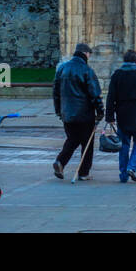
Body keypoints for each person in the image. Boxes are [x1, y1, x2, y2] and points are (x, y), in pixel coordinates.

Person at [52, 42, 103, 181]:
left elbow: (56, 92)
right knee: (87, 143)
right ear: (86, 54)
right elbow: (94, 94)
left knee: (73, 139)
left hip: (67, 113)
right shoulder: (86, 70)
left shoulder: (62, 68)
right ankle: (83, 172)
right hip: (84, 114)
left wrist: (58, 110)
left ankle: (60, 162)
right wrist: (100, 111)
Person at [105, 50, 136, 183]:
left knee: (124, 144)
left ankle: (123, 174)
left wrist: (109, 116)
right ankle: (132, 166)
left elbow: (111, 97)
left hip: (123, 115)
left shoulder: (117, 75)